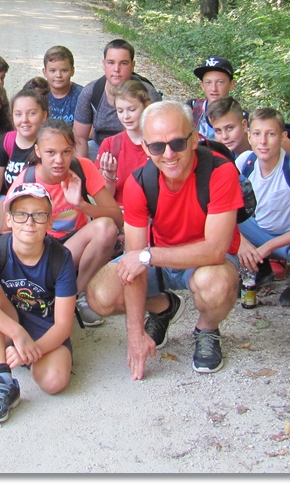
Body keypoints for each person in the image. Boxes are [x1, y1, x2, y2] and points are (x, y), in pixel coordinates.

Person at [87, 101, 243, 378]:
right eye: (158, 147)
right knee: (100, 295)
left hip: (205, 263)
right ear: (146, 148)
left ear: (193, 139)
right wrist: (135, 332)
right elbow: (133, 262)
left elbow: (215, 250)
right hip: (159, 259)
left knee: (214, 285)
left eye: (177, 143)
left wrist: (148, 256)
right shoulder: (139, 182)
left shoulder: (220, 171)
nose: (169, 154)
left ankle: (207, 328)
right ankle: (164, 308)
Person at [0, 182, 76, 424]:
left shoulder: (60, 257)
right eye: (21, 214)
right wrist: (17, 333)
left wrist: (33, 349)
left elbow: (63, 325)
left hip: (43, 327)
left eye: (39, 215)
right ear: (9, 220)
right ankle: (1, 379)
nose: (29, 222)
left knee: (54, 382)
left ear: (50, 222)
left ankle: (24, 356)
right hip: (7, 321)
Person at [11, 119, 122, 328]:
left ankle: (75, 296)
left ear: (73, 150)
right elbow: (8, 231)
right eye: (50, 152)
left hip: (75, 247)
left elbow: (117, 218)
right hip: (42, 253)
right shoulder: (27, 180)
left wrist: (81, 204)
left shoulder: (83, 168)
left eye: (66, 152)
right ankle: (49, 295)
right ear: (38, 151)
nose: (59, 160)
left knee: (106, 227)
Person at [234, 108, 290, 306]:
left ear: (283, 137)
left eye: (270, 134)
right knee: (219, 230)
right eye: (257, 134)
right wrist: (241, 242)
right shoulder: (244, 162)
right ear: (249, 137)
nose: (262, 141)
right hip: (256, 230)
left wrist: (269, 246)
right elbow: (224, 210)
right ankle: (259, 269)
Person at [73, 39, 161, 160]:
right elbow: (79, 138)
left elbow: (159, 135)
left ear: (132, 65)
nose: (116, 69)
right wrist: (82, 167)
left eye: (123, 63)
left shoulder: (148, 93)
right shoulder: (91, 92)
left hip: (139, 149)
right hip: (100, 146)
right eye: (111, 63)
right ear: (103, 64)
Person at [95, 79, 153, 205]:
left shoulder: (159, 144)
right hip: (120, 212)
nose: (125, 116)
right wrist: (109, 175)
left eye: (132, 109)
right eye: (120, 111)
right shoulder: (110, 144)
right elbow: (104, 200)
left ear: (146, 106)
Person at [187, 57, 237, 141]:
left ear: (232, 84)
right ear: (202, 85)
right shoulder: (192, 108)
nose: (214, 88)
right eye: (208, 82)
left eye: (220, 82)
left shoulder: (240, 117)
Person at [42, 45, 83, 124]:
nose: (58, 75)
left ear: (72, 71)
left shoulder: (81, 95)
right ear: (45, 72)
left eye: (64, 70)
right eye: (52, 71)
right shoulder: (38, 94)